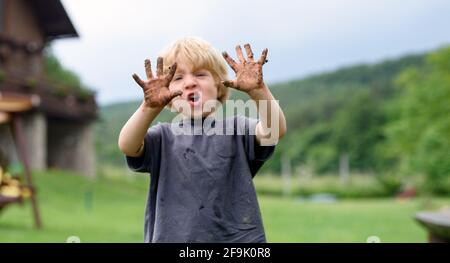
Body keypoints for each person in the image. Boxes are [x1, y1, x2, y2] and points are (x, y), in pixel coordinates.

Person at [118, 37, 286, 242]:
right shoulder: (162, 137)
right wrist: (149, 107)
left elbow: (274, 130)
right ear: (167, 93)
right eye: (177, 78)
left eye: (200, 74)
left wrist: (259, 91)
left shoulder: (237, 129)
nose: (190, 82)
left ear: (220, 85)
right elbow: (128, 145)